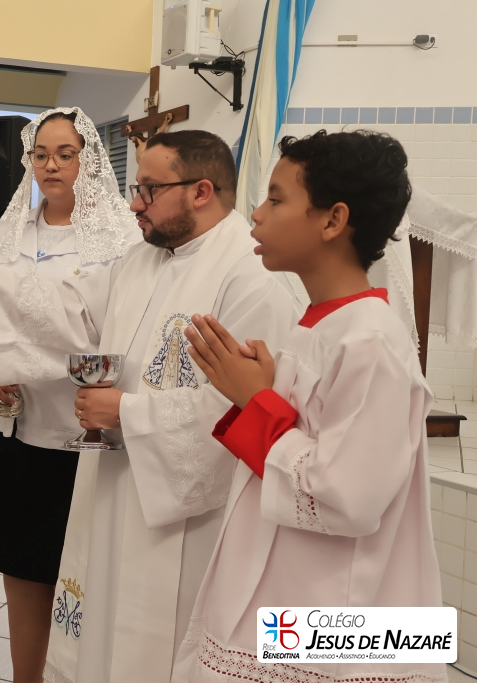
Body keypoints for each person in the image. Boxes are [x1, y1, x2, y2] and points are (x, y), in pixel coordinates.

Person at [0, 129, 301, 683]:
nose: (135, 203)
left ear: (201, 191)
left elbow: (241, 412)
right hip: (116, 485)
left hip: (185, 517)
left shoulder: (251, 278)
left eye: (149, 189)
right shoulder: (141, 260)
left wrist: (126, 414)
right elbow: (70, 314)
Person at [174, 130, 445, 682]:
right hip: (293, 593)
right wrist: (263, 395)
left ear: (332, 220)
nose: (256, 213)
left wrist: (257, 400)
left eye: (276, 199)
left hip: (337, 615)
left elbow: (347, 501)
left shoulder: (371, 341)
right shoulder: (321, 325)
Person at [0, 107, 140, 683]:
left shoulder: (120, 239)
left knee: (81, 573)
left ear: (91, 160)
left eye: (66, 153)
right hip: (12, 431)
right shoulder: (11, 232)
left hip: (79, 435)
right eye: (40, 154)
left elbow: (111, 332)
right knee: (21, 570)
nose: (51, 165)